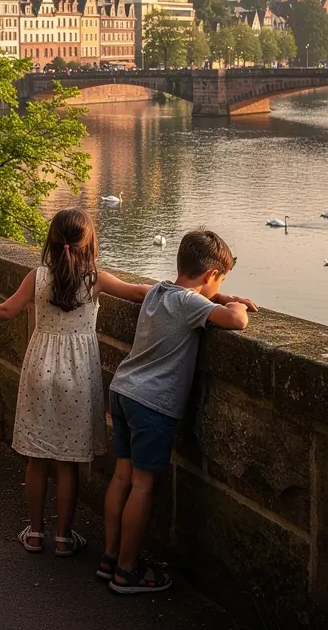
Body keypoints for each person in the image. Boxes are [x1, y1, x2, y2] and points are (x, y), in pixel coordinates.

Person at [0, 207, 149, 555]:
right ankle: (63, 538)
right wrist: (206, 297)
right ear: (89, 242)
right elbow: (141, 292)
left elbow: (6, 311)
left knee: (37, 458)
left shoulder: (38, 277)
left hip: (40, 367)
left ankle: (36, 533)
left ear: (52, 241)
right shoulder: (96, 279)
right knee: (69, 461)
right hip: (79, 374)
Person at [101, 229, 257, 594]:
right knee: (142, 484)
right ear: (210, 276)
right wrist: (233, 304)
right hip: (152, 404)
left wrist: (219, 294)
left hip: (123, 390)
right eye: (220, 280)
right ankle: (127, 570)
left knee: (121, 478)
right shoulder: (192, 305)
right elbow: (236, 322)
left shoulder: (157, 291)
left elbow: (130, 287)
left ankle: (109, 558)